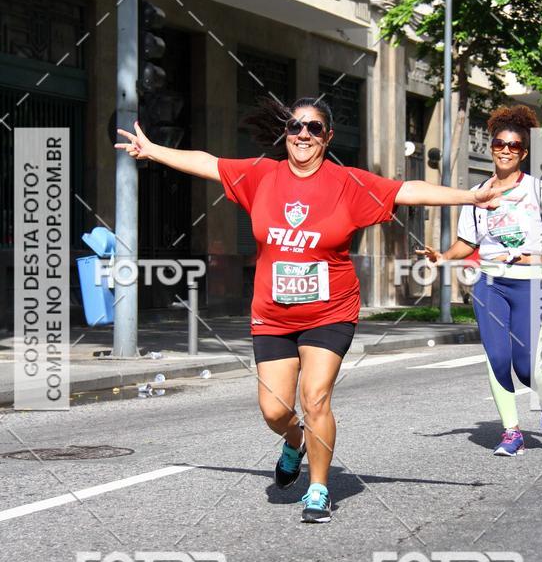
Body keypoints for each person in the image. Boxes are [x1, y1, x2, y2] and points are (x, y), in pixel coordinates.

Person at [117, 97, 510, 521]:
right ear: (285, 134)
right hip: (272, 314)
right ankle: (294, 441)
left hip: (330, 311)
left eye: (314, 128)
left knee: (316, 398)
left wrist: (470, 196)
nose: (303, 134)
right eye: (295, 127)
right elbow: (208, 163)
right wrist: (153, 151)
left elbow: (406, 190)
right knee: (274, 410)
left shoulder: (347, 183)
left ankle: (318, 488)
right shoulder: (260, 176)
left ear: (327, 137)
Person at [417, 105, 542, 457]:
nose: (505, 150)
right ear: (492, 146)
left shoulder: (538, 191)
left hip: (530, 283)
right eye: (499, 143)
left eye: (513, 146)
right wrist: (442, 257)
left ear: (523, 153)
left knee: (526, 364)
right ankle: (511, 431)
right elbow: (467, 243)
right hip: (490, 284)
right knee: (497, 358)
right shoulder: (478, 194)